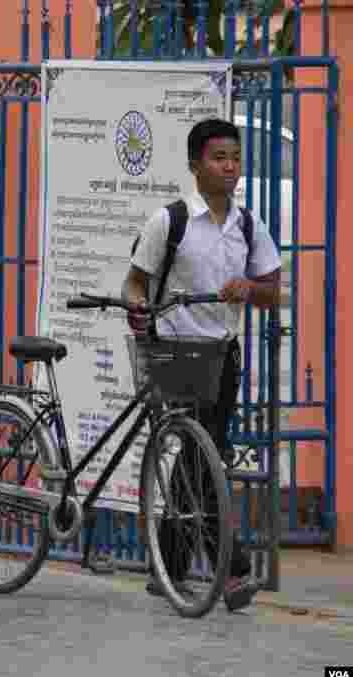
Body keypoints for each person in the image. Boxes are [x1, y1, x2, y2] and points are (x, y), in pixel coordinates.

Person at [122, 118, 282, 612]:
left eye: (235, 157)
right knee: (207, 453)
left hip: (222, 356)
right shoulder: (169, 221)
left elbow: (276, 293)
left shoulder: (249, 226)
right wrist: (138, 310)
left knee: (198, 457)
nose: (230, 166)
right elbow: (134, 282)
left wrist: (250, 290)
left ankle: (167, 565)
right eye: (219, 158)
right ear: (195, 165)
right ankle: (230, 571)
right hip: (173, 353)